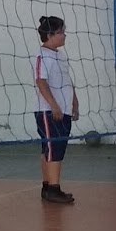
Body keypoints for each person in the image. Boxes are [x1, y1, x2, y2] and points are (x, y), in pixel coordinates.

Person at [33, 15, 77, 204]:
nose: (64, 35)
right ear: (50, 35)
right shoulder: (41, 56)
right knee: (53, 149)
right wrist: (53, 105)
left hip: (64, 110)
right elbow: (41, 82)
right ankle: (53, 188)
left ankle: (47, 186)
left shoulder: (60, 55)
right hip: (49, 112)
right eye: (61, 32)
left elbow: (67, 81)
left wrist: (74, 101)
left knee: (50, 149)